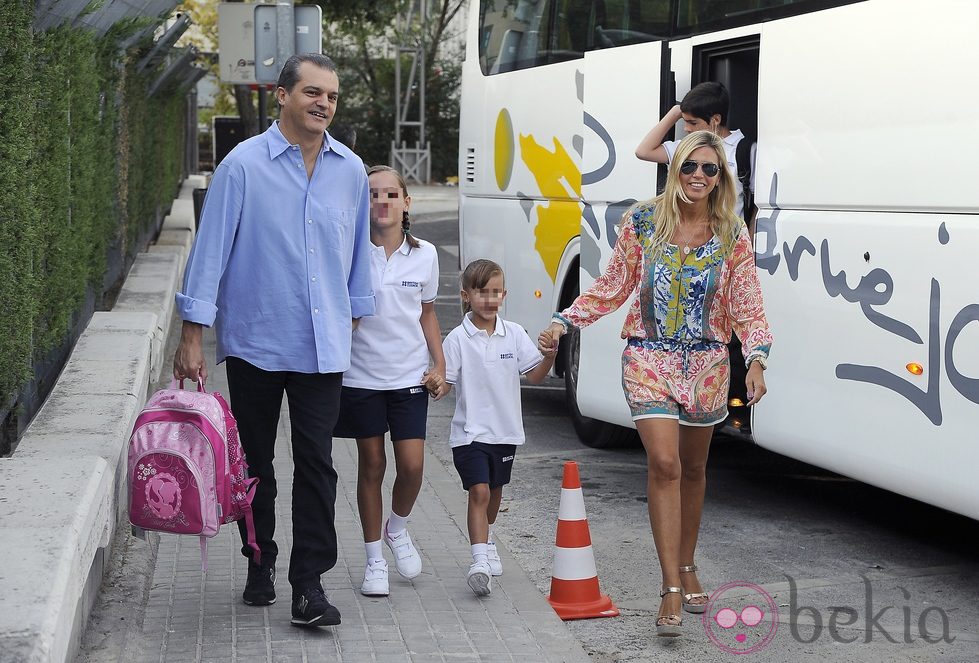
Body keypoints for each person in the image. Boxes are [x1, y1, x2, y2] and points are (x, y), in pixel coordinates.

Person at [172, 53, 375, 629]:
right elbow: (209, 252)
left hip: (322, 348)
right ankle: (259, 558)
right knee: (255, 463)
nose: (323, 105)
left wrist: (353, 319)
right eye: (312, 93)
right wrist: (194, 335)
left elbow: (359, 258)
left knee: (317, 463)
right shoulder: (242, 166)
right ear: (282, 96)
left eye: (332, 96)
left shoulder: (351, 170)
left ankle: (308, 583)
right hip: (257, 341)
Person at [544, 130, 773, 637]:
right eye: (690, 166)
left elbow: (747, 304)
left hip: (709, 365)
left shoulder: (732, 234)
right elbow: (612, 286)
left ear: (720, 178)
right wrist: (567, 320)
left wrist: (755, 358)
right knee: (664, 463)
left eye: (709, 169)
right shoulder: (643, 222)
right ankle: (670, 584)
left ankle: (688, 563)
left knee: (693, 468)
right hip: (648, 358)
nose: (698, 176)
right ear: (675, 171)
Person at [333, 164, 445, 597]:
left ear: (406, 203)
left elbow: (428, 313)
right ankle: (374, 558)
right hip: (360, 378)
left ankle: (397, 528)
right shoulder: (349, 252)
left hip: (409, 377)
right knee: (373, 465)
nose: (382, 202)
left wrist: (441, 366)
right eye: (374, 194)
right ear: (364, 203)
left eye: (391, 195)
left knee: (413, 467)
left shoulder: (426, 255)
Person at [441, 259, 556, 596]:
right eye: (482, 293)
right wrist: (434, 383)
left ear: (504, 294)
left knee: (493, 493)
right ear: (466, 295)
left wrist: (549, 355)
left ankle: (487, 538)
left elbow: (534, 375)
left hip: (505, 433)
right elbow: (445, 383)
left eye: (495, 292)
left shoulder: (514, 334)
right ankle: (479, 561)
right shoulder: (457, 339)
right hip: (469, 433)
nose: (489, 300)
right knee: (477, 492)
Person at [635, 81, 755, 224]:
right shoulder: (686, 147)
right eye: (690, 165)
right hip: (685, 238)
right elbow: (643, 152)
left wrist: (749, 240)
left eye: (693, 123)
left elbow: (757, 204)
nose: (686, 128)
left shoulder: (744, 149)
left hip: (728, 237)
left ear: (716, 120)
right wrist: (674, 112)